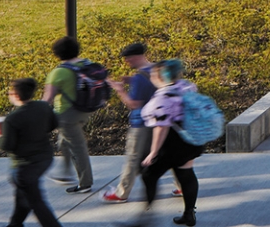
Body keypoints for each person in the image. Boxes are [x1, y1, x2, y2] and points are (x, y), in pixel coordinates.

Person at [102, 43, 180, 205]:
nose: (127, 61)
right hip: (162, 121)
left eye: (128, 58)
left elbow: (134, 104)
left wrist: (119, 90)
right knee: (169, 156)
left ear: (137, 56)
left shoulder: (139, 78)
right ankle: (181, 186)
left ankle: (121, 193)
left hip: (141, 123)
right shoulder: (158, 71)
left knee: (133, 157)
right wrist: (132, 81)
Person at [131, 59, 203, 227]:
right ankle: (189, 213)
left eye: (154, 74)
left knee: (149, 174)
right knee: (186, 174)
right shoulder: (187, 86)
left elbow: (161, 128)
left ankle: (146, 216)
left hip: (170, 143)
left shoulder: (163, 96)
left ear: (160, 76)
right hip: (189, 138)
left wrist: (153, 152)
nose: (151, 76)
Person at [0, 77, 63, 227]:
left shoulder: (12, 119)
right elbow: (53, 124)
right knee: (23, 196)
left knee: (36, 203)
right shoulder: (43, 107)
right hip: (45, 158)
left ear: (16, 95)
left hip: (25, 166)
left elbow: (7, 145)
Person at [42, 36, 93, 194]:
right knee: (64, 142)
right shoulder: (87, 64)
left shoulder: (58, 73)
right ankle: (65, 171)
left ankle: (85, 183)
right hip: (85, 110)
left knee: (78, 148)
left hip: (67, 115)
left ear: (58, 54)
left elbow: (47, 99)